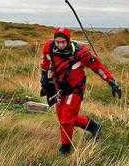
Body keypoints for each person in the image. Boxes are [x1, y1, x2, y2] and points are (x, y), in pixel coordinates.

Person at [40, 27, 121, 155]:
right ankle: (94, 126)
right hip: (58, 89)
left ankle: (65, 148)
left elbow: (97, 67)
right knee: (63, 118)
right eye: (58, 42)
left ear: (68, 40)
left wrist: (111, 81)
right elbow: (45, 64)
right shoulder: (49, 48)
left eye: (63, 42)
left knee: (66, 120)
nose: (60, 45)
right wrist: (44, 81)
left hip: (75, 89)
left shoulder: (81, 53)